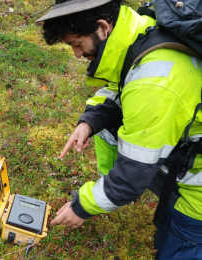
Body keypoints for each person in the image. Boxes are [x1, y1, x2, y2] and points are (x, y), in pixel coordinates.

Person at [36, 0, 202, 259]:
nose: (77, 55)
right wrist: (90, 121)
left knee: (181, 244)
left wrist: (81, 207)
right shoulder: (140, 32)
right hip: (182, 158)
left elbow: (131, 176)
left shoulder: (154, 85)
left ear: (103, 28)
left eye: (76, 44)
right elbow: (123, 87)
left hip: (197, 191)